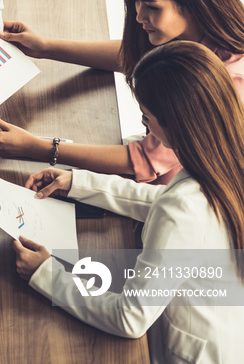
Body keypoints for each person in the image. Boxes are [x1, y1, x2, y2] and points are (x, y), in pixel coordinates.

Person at [12, 41, 244, 362]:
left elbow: (130, 318)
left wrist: (46, 274)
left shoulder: (185, 209)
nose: (143, 127)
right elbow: (166, 201)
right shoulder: (228, 155)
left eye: (146, 117)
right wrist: (79, 183)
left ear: (175, 121)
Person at [0, 0, 244, 185]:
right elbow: (135, 56)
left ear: (191, 0)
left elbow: (144, 160)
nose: (139, 16)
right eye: (135, 1)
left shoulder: (225, 81)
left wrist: (38, 148)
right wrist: (46, 47)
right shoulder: (192, 35)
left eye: (152, 6)